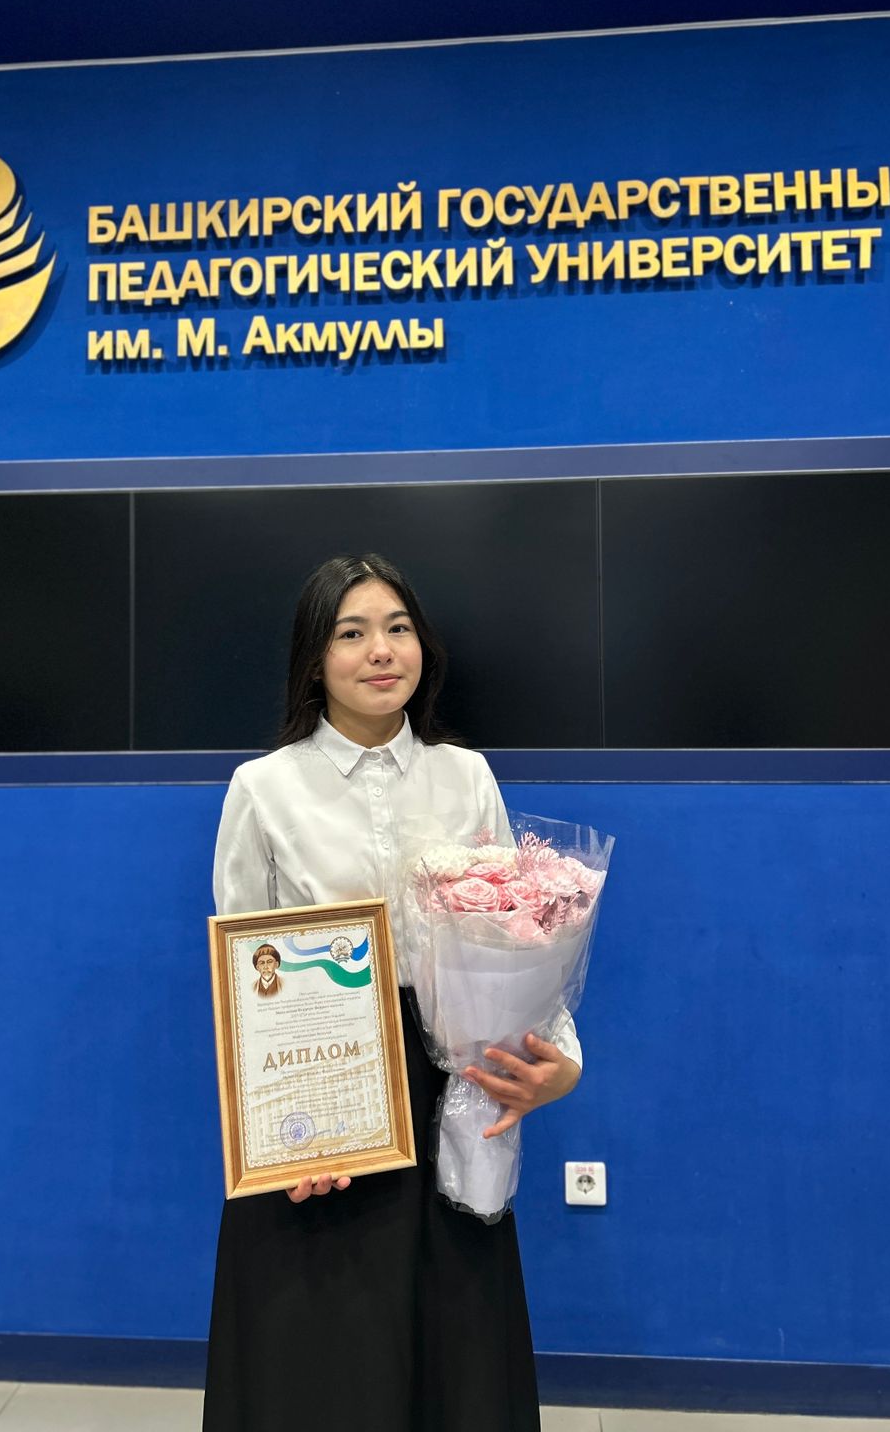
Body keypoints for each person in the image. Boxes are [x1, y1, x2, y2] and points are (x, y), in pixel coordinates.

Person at [204, 554, 582, 1432]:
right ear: (314, 659)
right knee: (322, 1359)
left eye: (397, 628)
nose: (381, 651)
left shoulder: (467, 775)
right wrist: (285, 1134)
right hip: (320, 1093)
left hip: (450, 1081)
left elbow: (519, 931)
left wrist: (555, 1064)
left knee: (456, 1354)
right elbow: (245, 979)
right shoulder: (263, 789)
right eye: (352, 632)